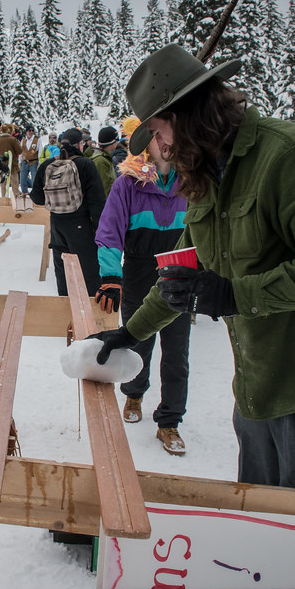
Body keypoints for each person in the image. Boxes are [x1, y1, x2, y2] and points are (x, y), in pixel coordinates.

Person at [91, 44, 295, 589]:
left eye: (155, 132)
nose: (156, 150)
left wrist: (236, 292)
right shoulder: (206, 180)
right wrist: (132, 332)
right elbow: (179, 273)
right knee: (261, 546)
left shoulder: (291, 156)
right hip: (257, 389)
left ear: (182, 116)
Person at [94, 115, 191, 454]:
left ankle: (169, 421)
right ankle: (134, 394)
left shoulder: (192, 180)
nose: (166, 143)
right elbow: (109, 231)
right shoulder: (128, 183)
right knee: (139, 341)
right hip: (139, 269)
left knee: (177, 351)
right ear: (143, 141)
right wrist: (110, 277)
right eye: (155, 136)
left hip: (180, 270)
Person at [29, 127, 105, 297]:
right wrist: (100, 233)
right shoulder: (86, 164)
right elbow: (97, 202)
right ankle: (93, 315)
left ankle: (65, 313)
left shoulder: (49, 164)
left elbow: (37, 197)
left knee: (63, 275)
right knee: (90, 275)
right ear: (80, 144)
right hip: (82, 226)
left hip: (57, 226)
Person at [88, 125, 119, 196]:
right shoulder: (101, 161)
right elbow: (105, 189)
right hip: (106, 205)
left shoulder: (105, 159)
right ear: (113, 143)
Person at [0, 123, 22, 199]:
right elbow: (20, 151)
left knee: (3, 187)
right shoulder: (13, 140)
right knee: (15, 186)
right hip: (12, 167)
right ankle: (16, 203)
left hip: (1, 167)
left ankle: (4, 202)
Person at [19, 125, 39, 195]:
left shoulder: (37, 140)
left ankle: (35, 193)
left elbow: (40, 151)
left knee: (34, 180)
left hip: (33, 161)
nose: (31, 132)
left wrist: (39, 162)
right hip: (25, 162)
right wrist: (20, 162)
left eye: (32, 131)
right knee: (22, 180)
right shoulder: (23, 140)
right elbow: (21, 152)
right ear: (26, 131)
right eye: (29, 131)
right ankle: (24, 192)